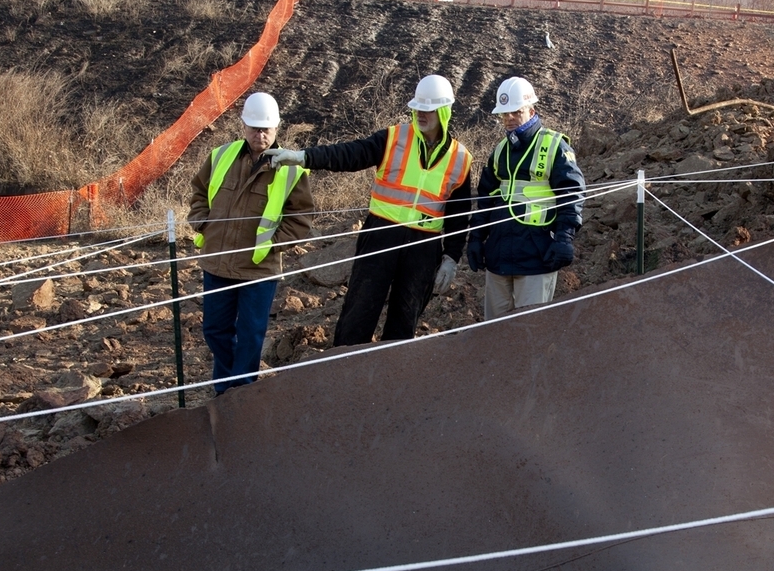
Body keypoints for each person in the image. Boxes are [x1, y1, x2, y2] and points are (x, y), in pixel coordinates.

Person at [265, 74, 473, 346]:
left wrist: (451, 258)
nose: (421, 114)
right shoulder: (394, 138)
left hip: (424, 248)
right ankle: (343, 371)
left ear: (444, 111)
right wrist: (304, 157)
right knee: (359, 313)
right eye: (417, 108)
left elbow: (458, 216)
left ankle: (389, 380)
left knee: (404, 322)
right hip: (380, 236)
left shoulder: (460, 159)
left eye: (428, 109)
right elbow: (350, 154)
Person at [189, 92, 314, 394]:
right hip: (217, 260)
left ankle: (240, 393)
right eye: (254, 128)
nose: (260, 134)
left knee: (250, 334)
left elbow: (301, 219)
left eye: (266, 129)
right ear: (243, 126)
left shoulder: (291, 170)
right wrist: (201, 221)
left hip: (258, 269)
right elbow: (198, 192)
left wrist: (272, 245)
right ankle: (226, 387)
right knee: (215, 331)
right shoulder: (221, 156)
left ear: (276, 129)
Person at [467, 76, 586, 319]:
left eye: (515, 112)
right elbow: (486, 199)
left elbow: (571, 195)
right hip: (498, 256)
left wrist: (564, 237)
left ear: (531, 110)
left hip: (536, 256)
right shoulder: (500, 150)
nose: (509, 118)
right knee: (492, 334)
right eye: (504, 114)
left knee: (532, 335)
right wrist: (476, 238)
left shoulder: (555, 146)